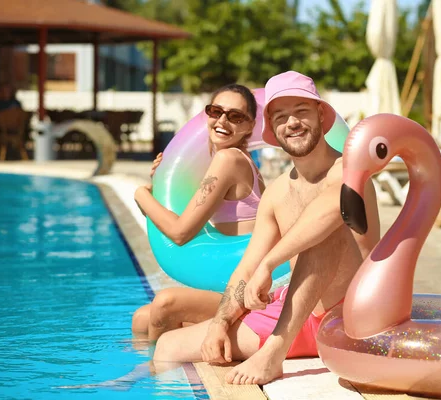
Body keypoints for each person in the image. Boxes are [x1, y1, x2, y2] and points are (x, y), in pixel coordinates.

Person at [151, 71, 381, 385]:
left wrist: (270, 264)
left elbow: (325, 216)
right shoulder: (277, 193)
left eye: (301, 112)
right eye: (281, 116)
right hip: (296, 313)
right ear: (271, 127)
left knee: (325, 233)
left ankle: (274, 351)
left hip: (349, 317)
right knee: (168, 346)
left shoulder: (350, 171)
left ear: (322, 115)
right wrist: (220, 322)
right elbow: (247, 267)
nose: (293, 123)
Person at [132, 83, 267, 343]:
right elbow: (178, 222)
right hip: (227, 279)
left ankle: (156, 374)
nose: (223, 121)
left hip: (244, 287)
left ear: (250, 126)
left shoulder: (229, 160)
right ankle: (162, 363)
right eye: (216, 111)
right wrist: (160, 182)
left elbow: (180, 233)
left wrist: (141, 194)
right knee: (141, 319)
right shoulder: (229, 159)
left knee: (165, 303)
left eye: (236, 116)